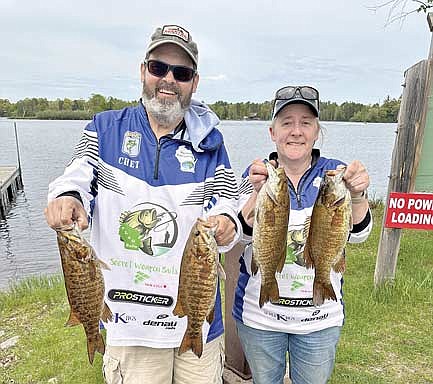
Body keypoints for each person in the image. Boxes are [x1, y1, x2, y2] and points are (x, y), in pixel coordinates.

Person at [45, 24, 241, 384]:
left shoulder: (211, 143)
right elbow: (75, 177)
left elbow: (228, 203)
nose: (168, 79)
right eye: (158, 68)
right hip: (129, 326)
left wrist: (228, 221)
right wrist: (66, 197)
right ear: (143, 71)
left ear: (193, 83)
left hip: (196, 320)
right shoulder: (105, 129)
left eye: (181, 73)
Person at [232, 85, 372, 384]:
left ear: (317, 131)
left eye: (305, 123)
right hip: (260, 318)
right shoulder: (254, 174)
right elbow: (238, 238)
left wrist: (358, 196)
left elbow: (358, 235)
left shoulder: (336, 173)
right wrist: (257, 196)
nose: (296, 131)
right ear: (272, 132)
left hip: (320, 321)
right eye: (287, 123)